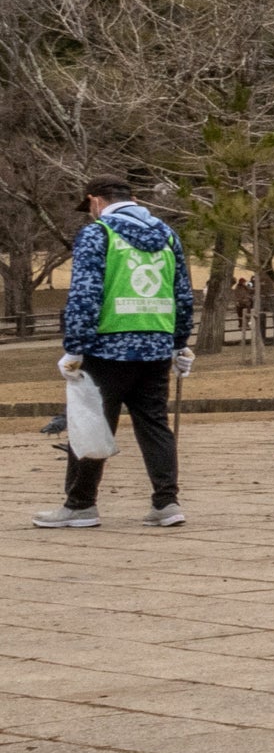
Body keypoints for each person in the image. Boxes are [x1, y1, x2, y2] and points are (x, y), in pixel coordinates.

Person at [37, 173, 193, 529]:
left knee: (91, 425)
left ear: (95, 201)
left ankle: (80, 504)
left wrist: (73, 347)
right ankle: (166, 502)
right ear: (133, 198)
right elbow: (182, 295)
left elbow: (85, 294)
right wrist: (180, 343)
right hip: (155, 342)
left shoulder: (98, 233)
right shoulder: (168, 235)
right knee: (155, 424)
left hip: (106, 346)